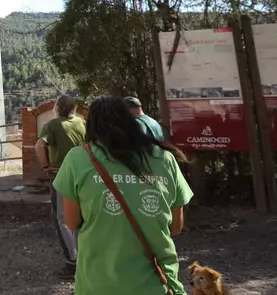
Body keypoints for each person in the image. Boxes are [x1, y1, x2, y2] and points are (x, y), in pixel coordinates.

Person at [53, 96, 193, 295]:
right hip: (157, 282)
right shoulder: (164, 158)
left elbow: (72, 222)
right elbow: (176, 227)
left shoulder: (78, 159)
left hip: (97, 283)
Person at [34, 94, 86, 280]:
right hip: (83, 176)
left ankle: (72, 262)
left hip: (61, 176)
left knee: (62, 219)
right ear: (74, 109)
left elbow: (39, 146)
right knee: (80, 218)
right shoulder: (82, 123)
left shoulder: (53, 125)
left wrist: (46, 166)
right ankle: (83, 258)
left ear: (56, 109)